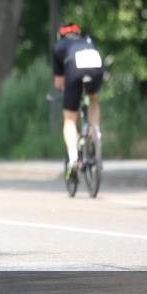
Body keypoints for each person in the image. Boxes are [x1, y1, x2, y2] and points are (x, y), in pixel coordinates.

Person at [52, 23, 104, 180]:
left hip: (74, 67)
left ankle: (74, 158)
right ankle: (95, 131)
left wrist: (67, 91)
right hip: (95, 63)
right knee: (93, 98)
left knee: (69, 119)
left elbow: (59, 83)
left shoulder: (59, 46)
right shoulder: (87, 41)